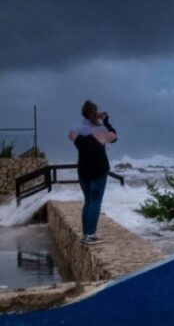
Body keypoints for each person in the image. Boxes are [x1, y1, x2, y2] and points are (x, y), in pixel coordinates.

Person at [68, 100, 117, 245]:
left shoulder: (74, 130)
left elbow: (73, 136)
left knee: (88, 201)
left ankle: (85, 234)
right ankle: (91, 235)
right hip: (99, 169)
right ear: (94, 113)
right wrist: (106, 121)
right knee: (95, 202)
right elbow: (114, 137)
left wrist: (94, 118)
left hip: (83, 169)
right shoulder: (101, 130)